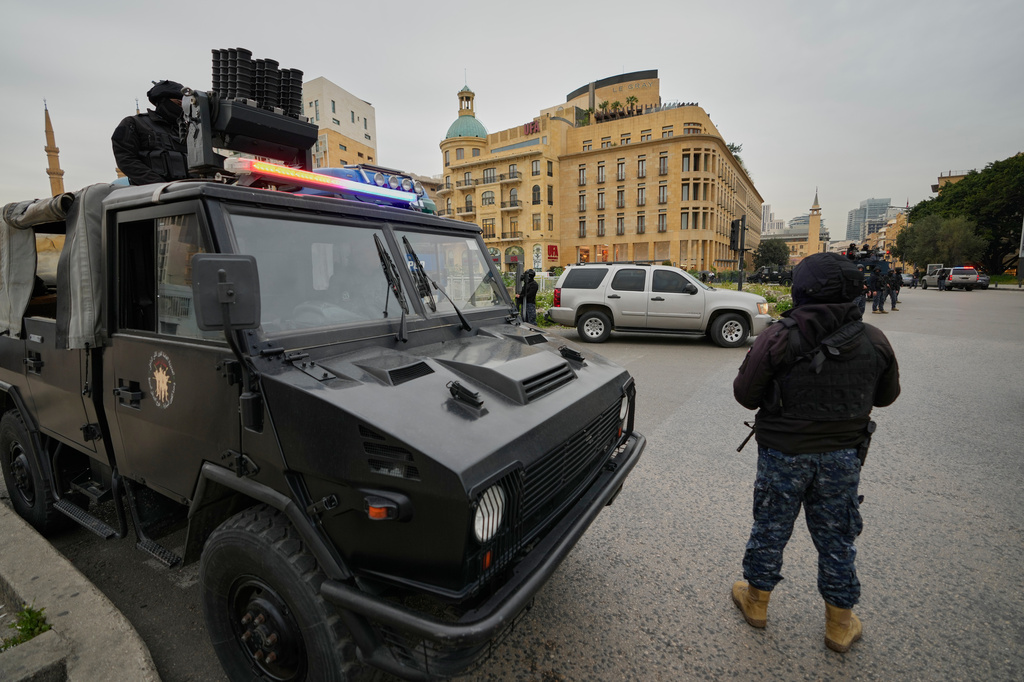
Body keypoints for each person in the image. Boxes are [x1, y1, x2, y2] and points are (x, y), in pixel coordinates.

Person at [731, 252, 900, 653]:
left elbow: (745, 395)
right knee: (838, 537)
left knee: (770, 528)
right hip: (842, 457)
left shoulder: (779, 335)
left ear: (801, 288)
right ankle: (839, 624)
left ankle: (756, 603)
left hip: (782, 454)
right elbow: (887, 396)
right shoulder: (874, 340)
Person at [111, 80, 189, 185]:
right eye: (178, 103)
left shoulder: (189, 130)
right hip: (152, 194)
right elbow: (126, 159)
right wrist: (159, 185)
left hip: (191, 191)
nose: (182, 108)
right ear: (163, 101)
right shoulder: (134, 123)